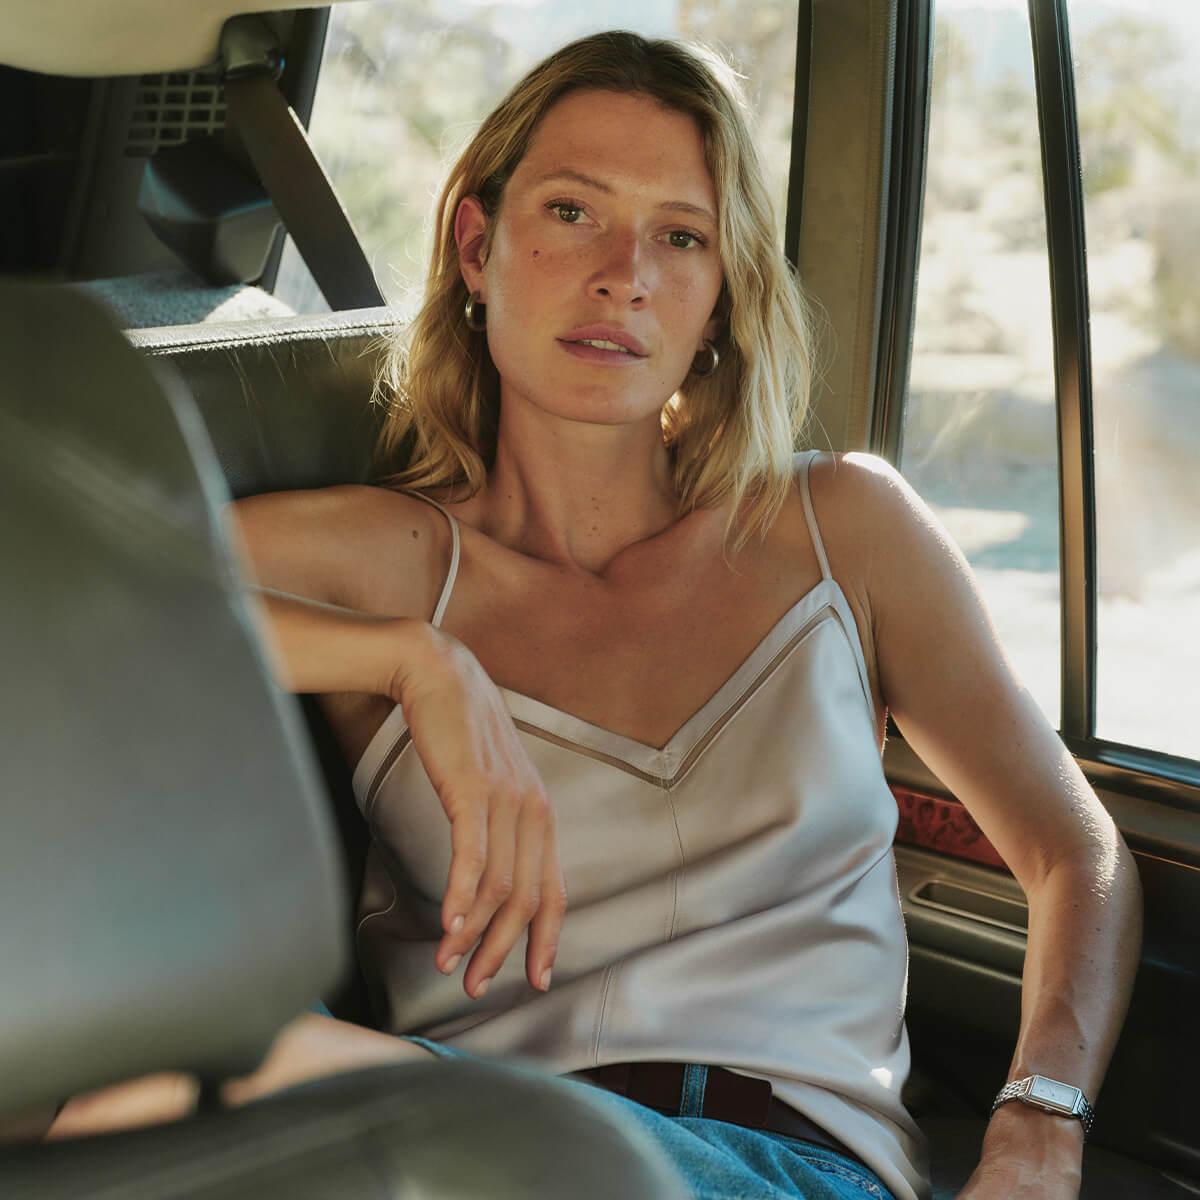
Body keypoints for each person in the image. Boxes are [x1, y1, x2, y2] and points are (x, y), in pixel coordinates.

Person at [45, 30, 1141, 1200]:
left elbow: (1076, 854)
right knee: (152, 1087)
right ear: (477, 246)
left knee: (179, 1097)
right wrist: (414, 662)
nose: (626, 275)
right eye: (574, 212)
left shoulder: (841, 530)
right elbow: (54, 598)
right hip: (472, 1147)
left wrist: (1040, 1123)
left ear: (721, 295)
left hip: (791, 1168)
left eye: (682, 236)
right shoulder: (381, 563)